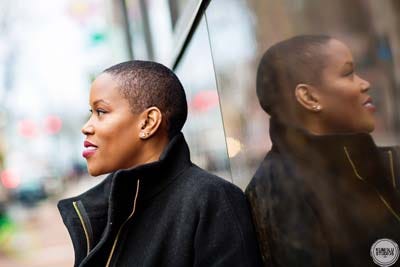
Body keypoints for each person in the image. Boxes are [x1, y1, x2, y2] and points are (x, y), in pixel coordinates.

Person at [58, 60, 262, 267]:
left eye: (101, 111)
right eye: (91, 113)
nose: (86, 127)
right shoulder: (114, 206)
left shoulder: (212, 200)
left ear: (147, 122)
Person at [245, 35, 400, 266]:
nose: (364, 83)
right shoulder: (275, 187)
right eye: (348, 74)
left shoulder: (388, 161)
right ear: (309, 97)